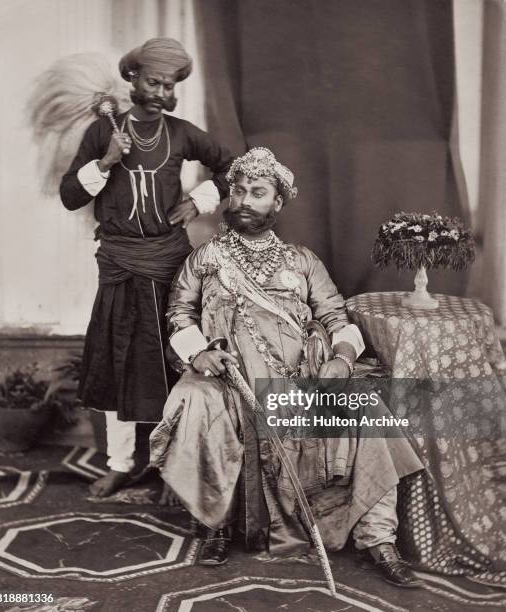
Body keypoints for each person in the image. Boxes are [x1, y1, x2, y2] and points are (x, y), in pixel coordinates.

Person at [149, 147, 425, 587]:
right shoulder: (205, 258)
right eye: (238, 191)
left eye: (257, 193)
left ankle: (380, 540)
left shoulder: (302, 260)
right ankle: (217, 524)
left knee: (368, 412)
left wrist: (341, 359)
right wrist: (199, 354)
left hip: (297, 378)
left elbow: (337, 318)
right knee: (195, 400)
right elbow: (178, 314)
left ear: (277, 203)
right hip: (228, 377)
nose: (242, 201)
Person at [59, 37, 232, 498]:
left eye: (170, 85)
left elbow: (231, 167)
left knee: (173, 360)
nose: (161, 92)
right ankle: (120, 463)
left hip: (169, 264)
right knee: (118, 363)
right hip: (117, 263)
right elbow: (71, 196)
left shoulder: (181, 133)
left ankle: (171, 464)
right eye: (154, 81)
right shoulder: (102, 133)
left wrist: (199, 201)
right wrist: (108, 160)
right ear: (132, 77)